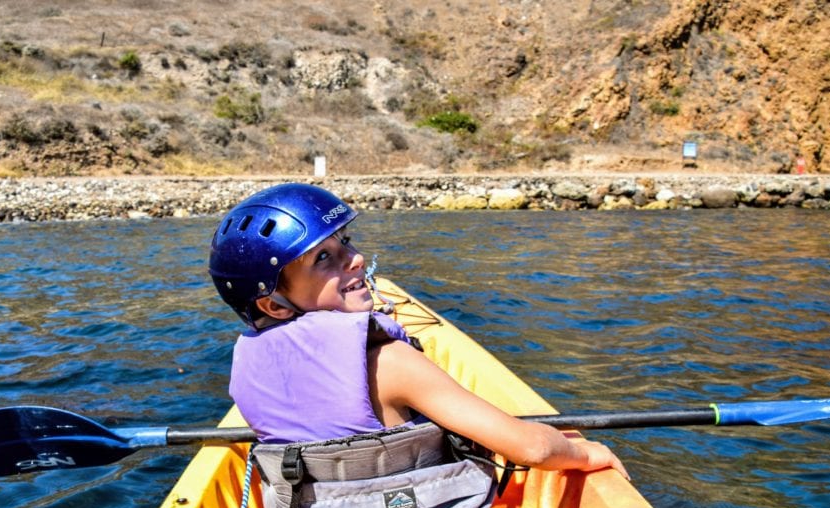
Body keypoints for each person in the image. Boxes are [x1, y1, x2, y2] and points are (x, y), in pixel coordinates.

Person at [209, 182, 629, 478]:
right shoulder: (390, 362)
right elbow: (533, 449)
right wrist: (584, 453)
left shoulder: (249, 373)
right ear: (272, 304)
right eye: (324, 258)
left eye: (346, 243)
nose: (355, 260)